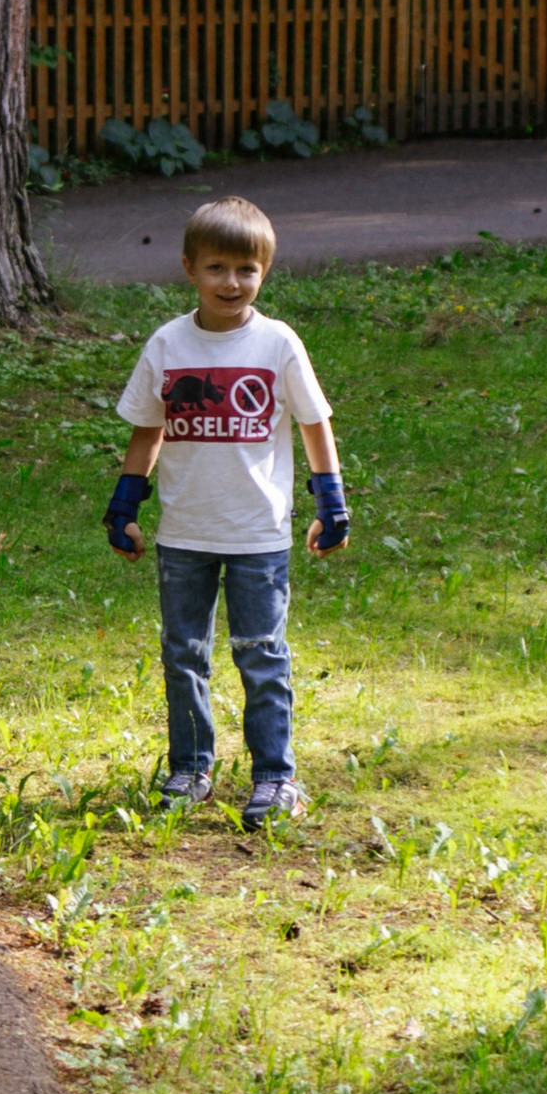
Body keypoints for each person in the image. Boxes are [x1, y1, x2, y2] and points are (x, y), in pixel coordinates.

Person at [103, 195, 349, 830]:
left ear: (264, 272)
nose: (231, 283)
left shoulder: (276, 343)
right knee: (183, 654)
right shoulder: (168, 344)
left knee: (261, 654)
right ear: (189, 268)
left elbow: (314, 423)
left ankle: (277, 778)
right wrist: (125, 502)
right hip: (184, 532)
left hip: (257, 533)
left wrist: (332, 502)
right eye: (217, 268)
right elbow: (147, 430)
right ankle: (190, 769)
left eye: (246, 269)